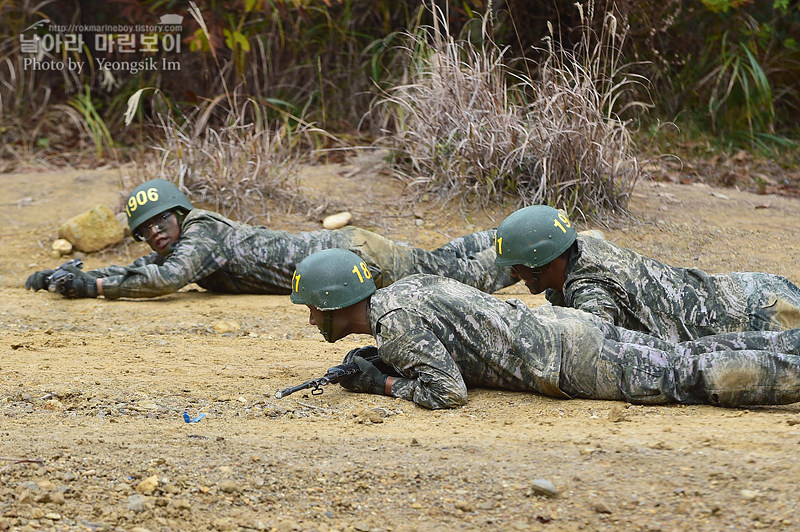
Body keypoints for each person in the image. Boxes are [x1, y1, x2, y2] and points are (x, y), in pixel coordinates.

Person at [289, 248, 800, 410]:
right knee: (687, 356)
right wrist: (391, 356)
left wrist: (381, 382)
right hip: (565, 330)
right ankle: (787, 346)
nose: (311, 318)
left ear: (334, 302)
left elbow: (447, 394)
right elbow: (451, 330)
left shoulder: (395, 323)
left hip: (565, 358)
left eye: (313, 307)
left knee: (683, 377)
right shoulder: (404, 293)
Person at [24, 179, 514, 299]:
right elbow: (149, 270)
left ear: (179, 213)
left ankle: (536, 251)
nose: (154, 234)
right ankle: (510, 235)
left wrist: (94, 288)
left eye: (159, 222)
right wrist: (74, 275)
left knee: (462, 276)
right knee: (442, 259)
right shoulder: (189, 239)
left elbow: (167, 279)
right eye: (145, 231)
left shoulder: (201, 232)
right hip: (347, 254)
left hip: (350, 257)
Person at [493, 205, 800, 342]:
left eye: (517, 266)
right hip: (755, 290)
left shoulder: (590, 287)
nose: (516, 274)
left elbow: (591, 340)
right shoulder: (582, 248)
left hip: (760, 318)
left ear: (541, 261)